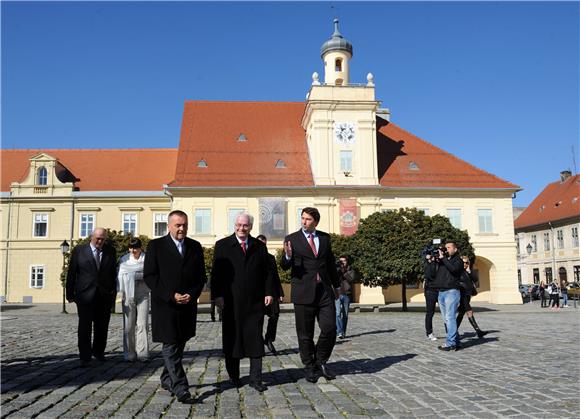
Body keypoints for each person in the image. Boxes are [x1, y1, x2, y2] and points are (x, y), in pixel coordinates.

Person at [144, 210, 206, 404]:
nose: (182, 229)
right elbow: (150, 276)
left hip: (187, 306)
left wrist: (193, 294)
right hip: (166, 307)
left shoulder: (195, 247)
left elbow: (201, 277)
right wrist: (171, 296)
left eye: (184, 225)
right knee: (170, 346)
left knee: (179, 344)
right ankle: (181, 388)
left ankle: (165, 379)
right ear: (169, 226)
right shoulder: (156, 246)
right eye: (178, 225)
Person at [211, 213, 274, 392]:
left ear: (251, 227)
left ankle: (256, 378)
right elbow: (216, 274)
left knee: (255, 339)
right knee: (233, 338)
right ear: (234, 225)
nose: (241, 228)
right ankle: (234, 376)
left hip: (255, 301)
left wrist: (269, 292)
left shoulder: (259, 246)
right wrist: (218, 296)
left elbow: (268, 272)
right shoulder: (222, 245)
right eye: (238, 225)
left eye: (245, 225)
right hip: (231, 301)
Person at [281, 207, 340, 383]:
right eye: (302, 218)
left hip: (324, 291)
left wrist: (336, 286)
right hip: (303, 292)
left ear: (316, 221)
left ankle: (321, 361)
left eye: (308, 219)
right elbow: (284, 266)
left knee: (330, 328)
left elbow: (330, 263)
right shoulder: (292, 239)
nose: (304, 222)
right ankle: (309, 366)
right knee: (305, 334)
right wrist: (288, 256)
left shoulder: (325, 238)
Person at [66, 227, 117, 367]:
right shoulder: (79, 250)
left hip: (104, 295)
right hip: (84, 295)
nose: (100, 241)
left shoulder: (110, 251)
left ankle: (99, 352)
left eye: (102, 239)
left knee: (102, 326)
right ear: (91, 237)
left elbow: (113, 274)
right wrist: (69, 293)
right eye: (98, 238)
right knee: (84, 327)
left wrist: (113, 294)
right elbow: (72, 272)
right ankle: (85, 356)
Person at [118, 237, 150, 362]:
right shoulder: (124, 259)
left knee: (142, 324)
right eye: (131, 248)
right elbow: (120, 275)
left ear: (140, 248)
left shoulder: (146, 259)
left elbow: (149, 273)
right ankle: (129, 354)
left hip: (143, 292)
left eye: (135, 248)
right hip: (127, 292)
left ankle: (143, 353)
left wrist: (136, 274)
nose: (133, 250)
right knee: (129, 325)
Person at [431, 241, 463, 351]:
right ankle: (456, 341)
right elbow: (434, 274)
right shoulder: (443, 261)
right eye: (446, 247)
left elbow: (454, 270)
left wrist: (443, 259)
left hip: (451, 292)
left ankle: (450, 343)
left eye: (449, 247)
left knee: (450, 318)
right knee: (446, 319)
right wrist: (434, 261)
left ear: (455, 249)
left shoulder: (458, 260)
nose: (447, 249)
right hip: (441, 292)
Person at [256, 234, 285, 355]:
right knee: (258, 319)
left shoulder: (271, 258)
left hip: (272, 292)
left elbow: (275, 276)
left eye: (264, 243)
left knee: (274, 316)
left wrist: (280, 293)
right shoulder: (252, 258)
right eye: (260, 243)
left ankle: (269, 339)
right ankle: (258, 342)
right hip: (257, 293)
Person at [456, 256, 488, 339]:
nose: (465, 264)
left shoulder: (468, 271)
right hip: (462, 295)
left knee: (461, 313)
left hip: (467, 295)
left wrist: (469, 271)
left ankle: (453, 331)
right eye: (463, 262)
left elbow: (475, 279)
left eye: (467, 262)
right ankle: (478, 331)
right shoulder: (457, 272)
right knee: (469, 311)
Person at [335, 255, 355, 339]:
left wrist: (344, 271)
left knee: (345, 314)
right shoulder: (337, 270)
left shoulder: (351, 270)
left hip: (347, 294)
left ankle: (343, 331)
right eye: (341, 261)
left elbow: (351, 279)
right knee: (338, 313)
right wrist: (338, 270)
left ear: (347, 261)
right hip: (337, 294)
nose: (342, 262)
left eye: (344, 261)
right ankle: (339, 332)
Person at [423, 253, 439, 341]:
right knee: (430, 312)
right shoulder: (427, 265)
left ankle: (450, 332)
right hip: (430, 291)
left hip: (441, 289)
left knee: (446, 312)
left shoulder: (440, 263)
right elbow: (431, 274)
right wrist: (431, 261)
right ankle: (429, 332)